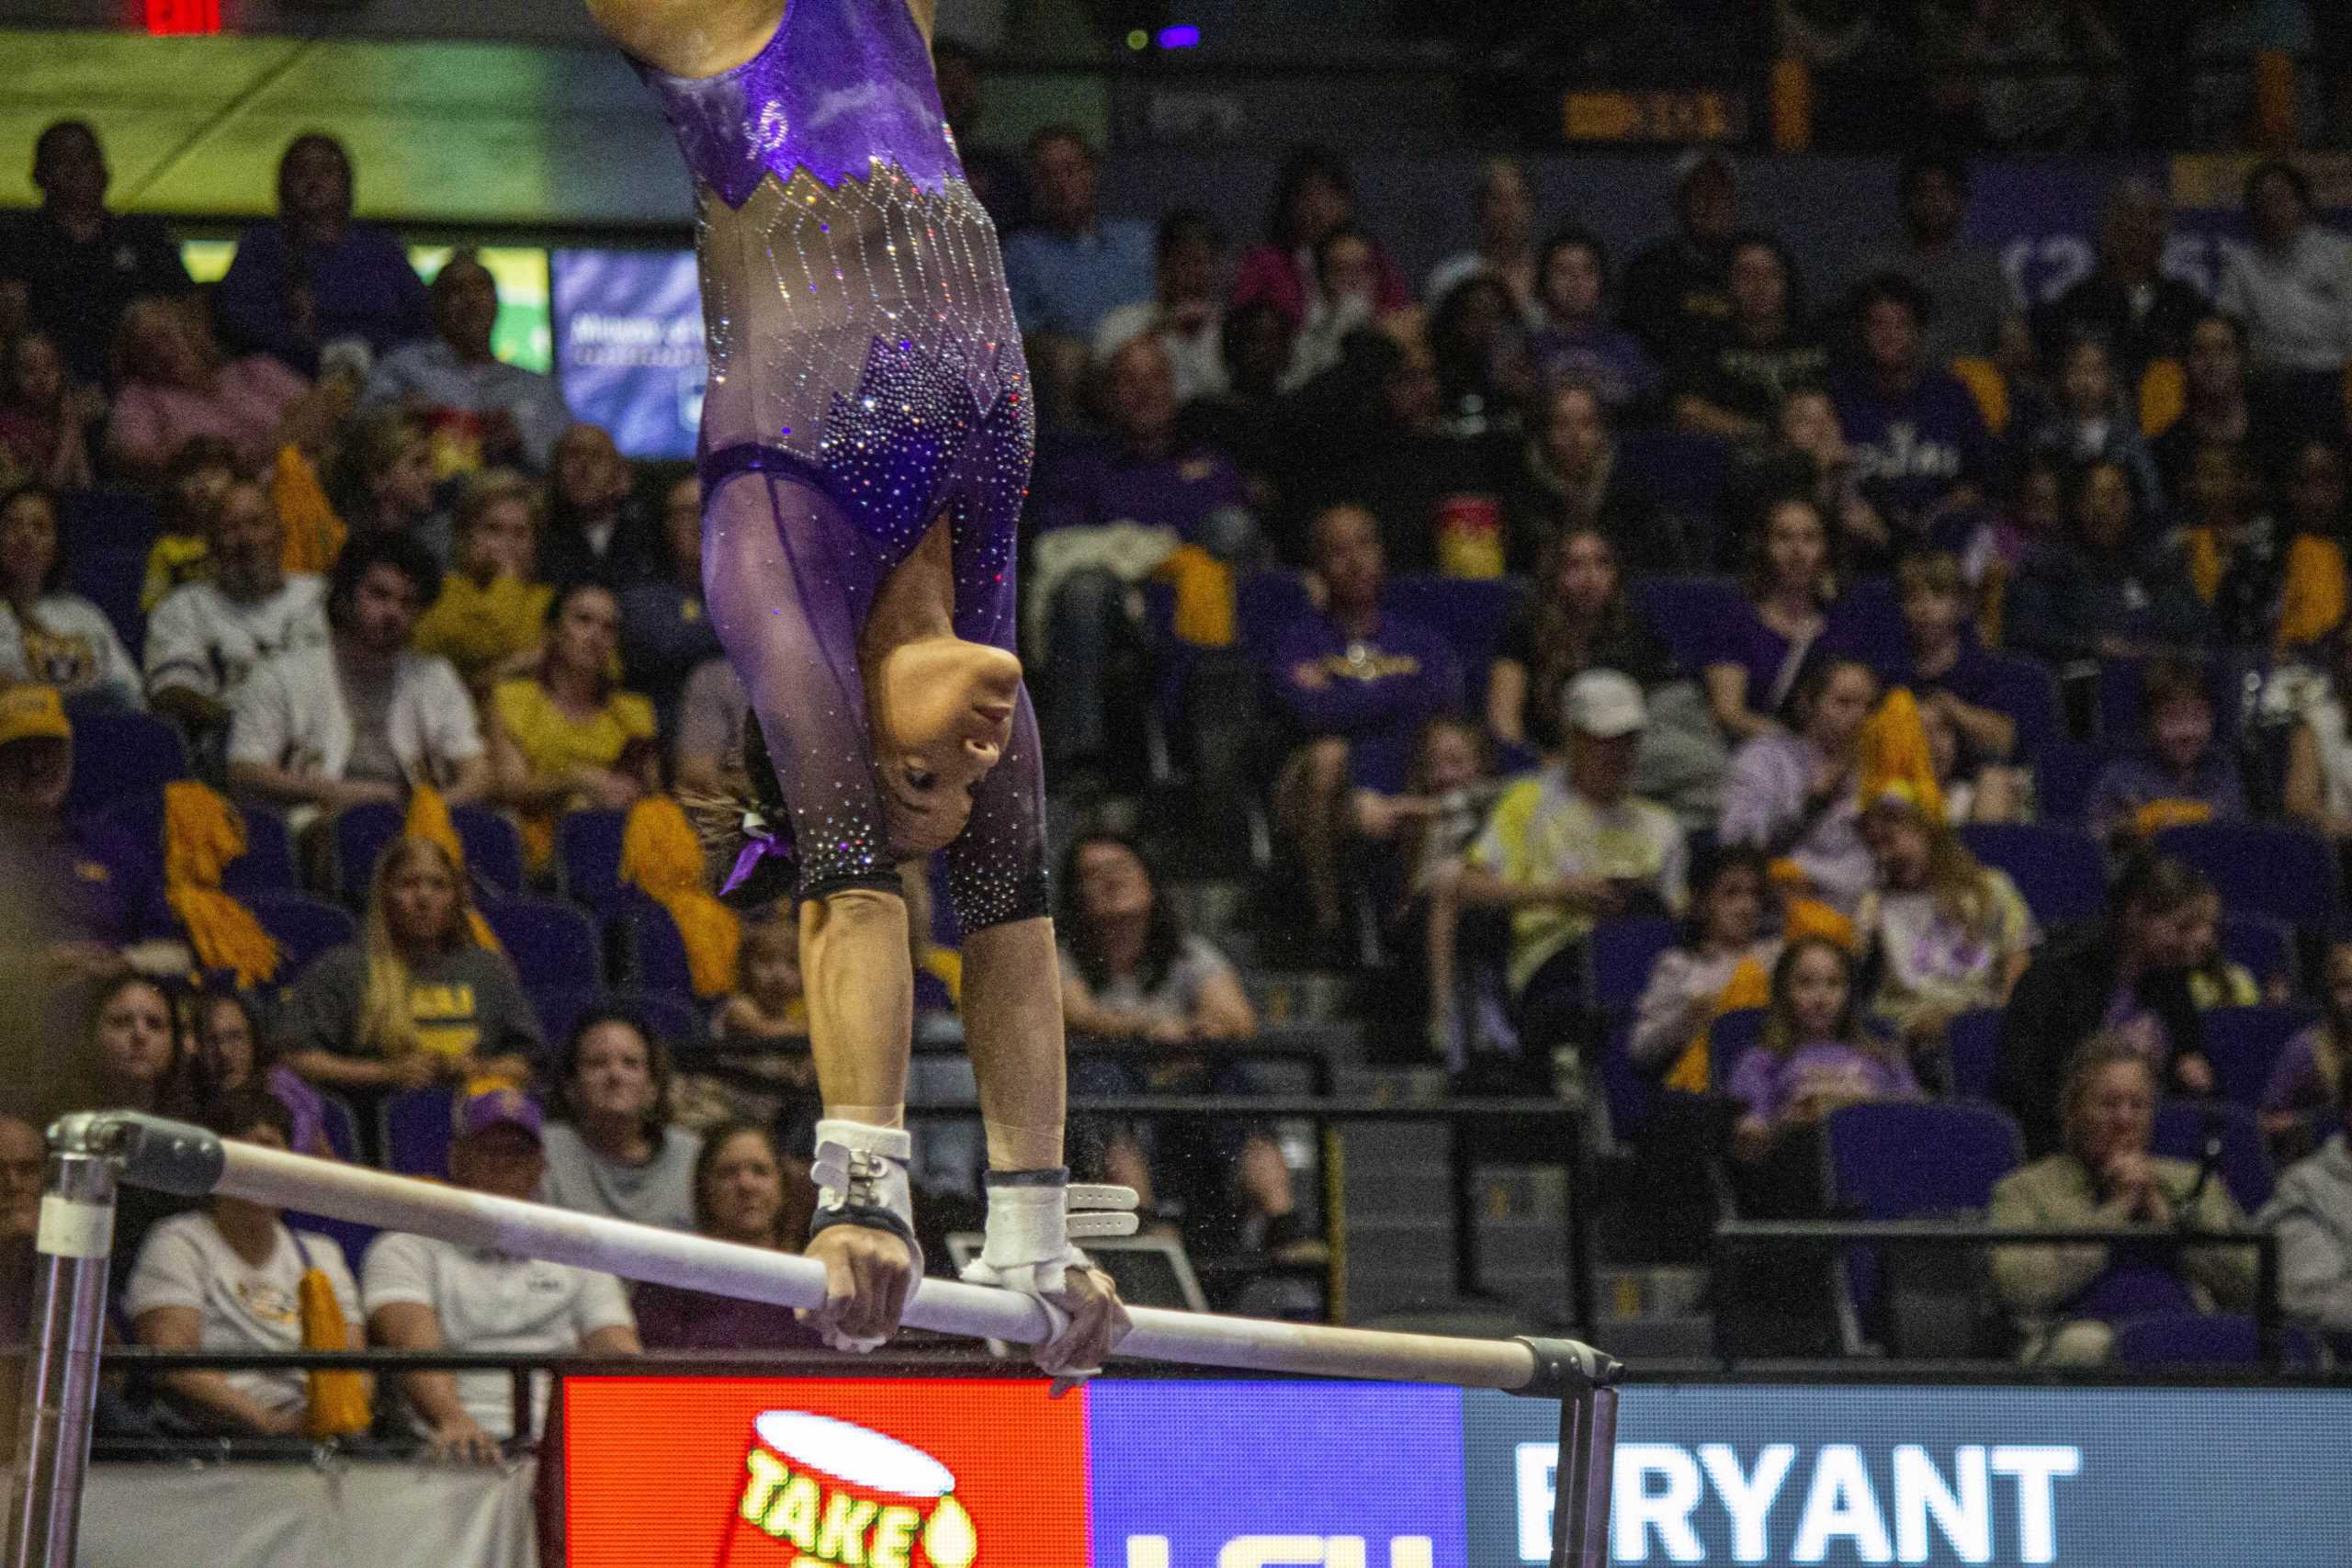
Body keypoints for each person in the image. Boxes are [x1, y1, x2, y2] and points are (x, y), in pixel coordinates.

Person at [596, 0, 1130, 1370]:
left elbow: (851, 895)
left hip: (730, 59)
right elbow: (1011, 931)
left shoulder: (776, 547)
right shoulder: (981, 594)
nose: (984, 750)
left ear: (860, 742)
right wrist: (1035, 1226)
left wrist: (860, 1197)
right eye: (972, 781)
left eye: (935, 778)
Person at [362, 1088, 639, 1460]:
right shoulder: (406, 1247)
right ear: (456, 1159)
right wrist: (454, 1421)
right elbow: (415, 1348)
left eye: (517, 1152)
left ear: (540, 1165)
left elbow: (615, 1347)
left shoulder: (578, 1249)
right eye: (488, 1149)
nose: (503, 1163)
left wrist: (621, 1423)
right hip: (445, 1442)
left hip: (563, 1442)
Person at [1057, 831, 1297, 1257]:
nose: (1112, 881)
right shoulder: (1062, 958)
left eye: (1122, 868)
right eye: (1094, 874)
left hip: (1185, 1098)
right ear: (1076, 896)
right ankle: (1142, 1221)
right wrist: (1150, 1031)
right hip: (1104, 1101)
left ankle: (1281, 1218)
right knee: (1100, 1075)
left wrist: (1201, 1030)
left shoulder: (1187, 954)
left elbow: (1238, 1019)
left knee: (1232, 1075)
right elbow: (1079, 1017)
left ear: (1149, 881)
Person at [1266, 503, 1464, 944]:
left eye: (1365, 545)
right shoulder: (1298, 641)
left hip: (1409, 782)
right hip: (1320, 795)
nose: (1355, 561)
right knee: (1327, 755)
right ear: (1317, 569)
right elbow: (1309, 714)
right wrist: (1400, 697)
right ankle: (1328, 926)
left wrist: (1344, 695)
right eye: (1338, 551)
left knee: (1447, 753)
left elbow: (1443, 704)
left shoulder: (1420, 641)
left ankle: (1404, 938)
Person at [1460, 670, 1688, 1052]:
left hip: (1646, 965)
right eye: (1603, 741)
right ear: (1573, 739)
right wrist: (1557, 893)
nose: (1617, 753)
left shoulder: (1661, 824)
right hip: (1552, 959)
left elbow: (1679, 915)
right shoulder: (1528, 803)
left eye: (1626, 740)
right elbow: (1468, 887)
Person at [1990, 1036, 2253, 1365]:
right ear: (2072, 1112)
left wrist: (2165, 1218)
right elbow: (2019, 1290)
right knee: (2088, 1346)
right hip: (2074, 1336)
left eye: (2138, 1105)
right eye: (2108, 1104)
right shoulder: (2025, 1191)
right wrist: (2117, 1211)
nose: (2124, 1119)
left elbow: (2251, 1286)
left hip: (2184, 1327)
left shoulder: (2191, 1183)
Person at [125, 1087, 365, 1436]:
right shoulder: (178, 1242)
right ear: (215, 1165)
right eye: (246, 1152)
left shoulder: (320, 1253)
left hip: (320, 1429)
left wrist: (337, 1419)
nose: (259, 1167)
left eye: (270, 1150)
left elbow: (356, 1362)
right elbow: (173, 1361)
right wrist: (271, 1425)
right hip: (227, 1440)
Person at [227, 530, 487, 830]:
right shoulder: (280, 674)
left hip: (415, 833)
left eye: (407, 603)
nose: (393, 612)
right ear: (345, 596)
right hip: (318, 824)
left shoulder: (435, 675)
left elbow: (478, 773)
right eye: (379, 595)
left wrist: (428, 813)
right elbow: (243, 771)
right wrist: (331, 792)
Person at [273, 834, 540, 1100]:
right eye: (408, 884)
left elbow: (528, 1062)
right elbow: (294, 1058)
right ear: (384, 894)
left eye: (439, 885)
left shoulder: (487, 969)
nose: (424, 898)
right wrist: (386, 1073)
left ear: (456, 898)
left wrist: (477, 1068)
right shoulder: (343, 969)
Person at [1996, 852, 2215, 1157]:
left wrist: (2191, 1071)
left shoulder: (2170, 981)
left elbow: (2191, 1064)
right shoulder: (2057, 974)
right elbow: (2026, 1085)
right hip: (2063, 1147)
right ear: (2136, 913)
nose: (2197, 943)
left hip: (2150, 1146)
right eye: (2182, 928)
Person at [214, 134, 431, 377]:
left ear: (345, 182)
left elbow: (423, 320)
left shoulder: (382, 248)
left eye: (326, 170)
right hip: (288, 380)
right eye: (301, 171)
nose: (314, 181)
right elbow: (239, 320)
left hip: (386, 378)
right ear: (284, 184)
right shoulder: (262, 247)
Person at [1855, 784, 2037, 1071]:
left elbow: (2018, 970)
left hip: (1978, 1030)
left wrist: (1981, 1027)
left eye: (1891, 839)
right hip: (1902, 1037)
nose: (1885, 856)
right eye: (1875, 846)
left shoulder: (1992, 889)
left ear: (1928, 830)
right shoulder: (1874, 904)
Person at [143, 478, 329, 759]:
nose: (246, 539)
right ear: (212, 545)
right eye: (230, 529)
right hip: (231, 752)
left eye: (257, 524)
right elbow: (171, 692)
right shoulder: (184, 606)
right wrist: (250, 720)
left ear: (281, 533)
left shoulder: (323, 597)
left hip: (324, 741)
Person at [0, 120, 193, 389]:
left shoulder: (143, 236)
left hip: (142, 388)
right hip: (45, 392)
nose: (75, 169)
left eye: (85, 158)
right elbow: (12, 323)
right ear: (38, 175)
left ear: (104, 171)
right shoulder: (17, 240)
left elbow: (184, 310)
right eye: (61, 160)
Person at [485, 581, 657, 873]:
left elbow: (651, 793)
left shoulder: (634, 711)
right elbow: (509, 787)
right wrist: (577, 780)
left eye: (609, 628)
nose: (596, 636)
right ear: (553, 630)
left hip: (621, 843)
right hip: (538, 847)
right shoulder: (513, 699)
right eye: (583, 620)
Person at [358, 250, 572, 475]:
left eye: (481, 288)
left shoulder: (537, 387)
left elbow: (565, 465)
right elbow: (363, 439)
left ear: (496, 304)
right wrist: (406, 418)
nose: (471, 300)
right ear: (435, 306)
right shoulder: (402, 369)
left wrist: (520, 438)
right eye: (456, 290)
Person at [0, 687, 158, 983]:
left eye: (47, 748)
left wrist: (123, 963)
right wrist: (27, 969)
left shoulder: (112, 846)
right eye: (20, 752)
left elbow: (177, 950)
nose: (36, 765)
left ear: (70, 754)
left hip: (111, 1005)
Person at [1830, 274, 1996, 555]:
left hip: (1943, 539)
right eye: (1878, 324)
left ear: (1919, 333)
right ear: (1861, 332)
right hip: (1867, 540)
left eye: (1901, 324)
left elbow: (1981, 475)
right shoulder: (1840, 397)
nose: (1889, 334)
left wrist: (1952, 507)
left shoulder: (1951, 394)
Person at [1727, 934, 1919, 1168]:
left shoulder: (1883, 1055)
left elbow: (1919, 1119)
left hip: (1886, 1162)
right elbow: (1748, 1147)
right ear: (1784, 991)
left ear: (1850, 994)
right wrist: (1786, 1126)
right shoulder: (1763, 1060)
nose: (1821, 997)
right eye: (1806, 983)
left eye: (1834, 984)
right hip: (1807, 1170)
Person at [1001, 126, 1154, 419]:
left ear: (1092, 172)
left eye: (1070, 170)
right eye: (1048, 175)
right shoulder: (1022, 253)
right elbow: (1019, 339)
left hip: (1156, 363)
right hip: (1086, 377)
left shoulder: (1139, 241)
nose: (1061, 184)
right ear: (1036, 185)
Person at [629, 1122, 822, 1350]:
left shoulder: (818, 1279)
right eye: (728, 1173)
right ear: (705, 1189)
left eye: (760, 1171)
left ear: (782, 1186)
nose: (746, 1185)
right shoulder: (666, 1280)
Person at [1487, 524, 1678, 750]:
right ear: (1553, 575)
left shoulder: (1637, 635)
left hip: (1623, 767)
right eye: (1575, 565)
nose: (1590, 577)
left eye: (1602, 563)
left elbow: (1666, 717)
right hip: (1543, 768)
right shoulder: (1525, 633)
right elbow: (1504, 725)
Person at [2007, 456, 2211, 666]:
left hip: (2156, 683)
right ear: (2076, 504)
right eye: (2092, 497)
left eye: (2113, 496)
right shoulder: (2046, 564)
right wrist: (2091, 647)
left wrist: (2164, 655)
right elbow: (2025, 632)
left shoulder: (2156, 562)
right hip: (2078, 681)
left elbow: (2195, 627)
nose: (2102, 510)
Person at [1719, 655, 1881, 915]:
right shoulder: (1765, 759)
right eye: (1844, 703)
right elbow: (1736, 845)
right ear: (1807, 703)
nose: (1859, 717)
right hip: (1789, 911)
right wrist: (1811, 801)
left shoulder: (1878, 767)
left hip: (1868, 911)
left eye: (1869, 706)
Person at [103, 299, 311, 483]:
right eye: (145, 350)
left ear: (189, 333)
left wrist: (264, 450)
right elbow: (136, 455)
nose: (160, 352)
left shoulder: (254, 369)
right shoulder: (141, 398)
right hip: (236, 497)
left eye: (163, 337)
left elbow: (320, 406)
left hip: (307, 467)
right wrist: (202, 455)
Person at [1629, 842, 1781, 1088]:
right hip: (1708, 1094)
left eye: (1754, 894)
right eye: (1731, 893)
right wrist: (1688, 1017)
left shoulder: (1778, 959)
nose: (1747, 907)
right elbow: (1641, 1049)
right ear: (1701, 904)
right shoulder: (1679, 966)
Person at [2217, 161, 2352, 436]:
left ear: (2302, 202)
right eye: (2263, 202)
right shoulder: (2242, 266)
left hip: (2331, 377)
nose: (2272, 209)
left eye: (2280, 198)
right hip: (2271, 382)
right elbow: (2230, 331)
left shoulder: (2339, 254)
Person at [538, 1008, 703, 1232]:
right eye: (597, 1063)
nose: (615, 1075)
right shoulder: (544, 1151)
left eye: (631, 1064)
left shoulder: (692, 1157)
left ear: (653, 1087)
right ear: (570, 1087)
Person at [1702, 496, 1851, 742]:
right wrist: (1798, 745)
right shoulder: (1734, 623)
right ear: (1763, 546)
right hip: (1756, 757)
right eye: (1784, 537)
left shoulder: (1843, 625)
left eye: (1809, 538)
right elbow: (1729, 713)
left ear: (1826, 549)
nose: (1797, 551)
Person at [2033, 176, 2209, 384]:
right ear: (2107, 230)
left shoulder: (2186, 301)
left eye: (2153, 218)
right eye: (2130, 217)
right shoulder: (2078, 303)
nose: (2143, 229)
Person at [1854, 149, 2021, 367]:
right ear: (1907, 201)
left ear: (1961, 201)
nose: (1935, 200)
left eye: (1945, 190)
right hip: (1895, 384)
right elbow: (1855, 337)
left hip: (1970, 384)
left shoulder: (1983, 267)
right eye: (1924, 191)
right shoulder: (1878, 266)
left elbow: (2013, 337)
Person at [1500, 381, 1684, 579]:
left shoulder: (1629, 496)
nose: (1575, 437)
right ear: (1545, 432)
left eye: (1587, 424)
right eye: (1562, 424)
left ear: (1603, 432)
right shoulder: (1521, 497)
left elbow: (1652, 567)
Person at [2177, 440, 2346, 653]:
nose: (2316, 497)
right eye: (2303, 482)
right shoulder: (2260, 562)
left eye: (2328, 480)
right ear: (2287, 486)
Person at [1229, 145, 1412, 333]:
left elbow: (1400, 317)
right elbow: (1244, 328)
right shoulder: (1264, 263)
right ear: (1288, 204)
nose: (1317, 208)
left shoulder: (1370, 257)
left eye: (1328, 195)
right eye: (1306, 196)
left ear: (1346, 202)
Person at [1671, 234, 1827, 443]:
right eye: (1746, 274)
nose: (1759, 284)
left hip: (1812, 457)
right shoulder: (1703, 342)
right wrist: (1770, 434)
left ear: (1786, 282)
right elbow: (1688, 411)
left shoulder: (1819, 339)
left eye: (1770, 274)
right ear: (1727, 283)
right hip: (1733, 459)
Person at [410, 468, 551, 697]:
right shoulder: (439, 592)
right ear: (465, 537)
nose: (507, 544)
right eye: (493, 529)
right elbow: (484, 643)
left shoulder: (550, 601)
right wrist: (508, 582)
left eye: (520, 533)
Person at [0, 482, 141, 710]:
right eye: (12, 525)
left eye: (40, 528)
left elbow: (127, 691)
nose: (25, 535)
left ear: (57, 545)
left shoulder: (82, 614)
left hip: (90, 733)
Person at [1718, 387, 1888, 573]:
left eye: (1829, 418)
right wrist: (1819, 471)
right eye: (1807, 421)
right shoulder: (1758, 484)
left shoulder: (1867, 481)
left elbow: (1895, 549)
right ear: (1783, 439)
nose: (1823, 430)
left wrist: (1877, 533)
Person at [2086, 659, 2245, 848]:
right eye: (2173, 718)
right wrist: (2128, 826)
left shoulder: (2221, 772)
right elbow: (2097, 838)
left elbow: (2237, 837)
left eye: (2198, 717)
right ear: (2148, 724)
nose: (2187, 731)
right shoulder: (2121, 778)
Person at [1883, 550, 2018, 767]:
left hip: (1969, 779)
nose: (1925, 608)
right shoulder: (1892, 667)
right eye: (1913, 598)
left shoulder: (1983, 668)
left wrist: (1951, 708)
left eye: (1938, 595)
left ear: (1961, 604)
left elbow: (2004, 739)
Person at [1091, 208, 1230, 407]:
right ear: (1162, 263)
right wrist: (1161, 329)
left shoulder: (1231, 331)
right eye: (1184, 261)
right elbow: (1102, 389)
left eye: (1203, 262)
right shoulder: (1122, 323)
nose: (1195, 273)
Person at [1523, 227, 1662, 420]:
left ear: (1602, 280)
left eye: (1588, 271)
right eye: (1564, 271)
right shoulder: (1526, 349)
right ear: (1543, 281)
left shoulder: (1626, 349)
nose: (1577, 281)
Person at [617, 471, 720, 729]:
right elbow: (667, 642)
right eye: (686, 512)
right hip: (668, 738)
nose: (699, 521)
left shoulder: (758, 593)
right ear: (667, 526)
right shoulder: (641, 600)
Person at [2026, 332, 2163, 517]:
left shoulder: (2129, 438)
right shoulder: (2047, 438)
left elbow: (2151, 498)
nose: (2086, 381)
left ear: (2111, 377)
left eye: (2096, 370)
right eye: (2076, 369)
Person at [1620, 149, 1741, 355]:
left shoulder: (1756, 266)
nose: (1710, 202)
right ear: (1680, 202)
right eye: (1699, 191)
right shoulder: (1649, 271)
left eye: (1720, 192)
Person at [188, 990, 334, 1159]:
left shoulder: (284, 1087)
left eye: (236, 1037)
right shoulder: (190, 1102)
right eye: (212, 1040)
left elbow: (330, 1165)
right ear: (198, 1047)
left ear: (254, 1039)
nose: (224, 1052)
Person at [2149, 312, 2274, 506]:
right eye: (2200, 351)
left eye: (2223, 350)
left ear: (2243, 358)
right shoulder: (2169, 445)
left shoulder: (2273, 433)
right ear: (2186, 362)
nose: (2212, 362)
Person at [538, 423, 661, 592]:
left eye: (596, 456)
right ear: (556, 471)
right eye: (573, 455)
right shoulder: (540, 533)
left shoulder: (649, 531)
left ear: (621, 476)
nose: (583, 466)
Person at [2259, 938, 2352, 1152]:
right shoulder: (2305, 1048)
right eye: (2345, 987)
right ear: (2330, 992)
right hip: (2323, 1162)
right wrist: (2309, 1125)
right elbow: (2266, 1123)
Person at [926, 36, 1025, 234]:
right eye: (946, 78)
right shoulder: (904, 161)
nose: (957, 90)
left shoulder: (999, 170)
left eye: (965, 78)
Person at [1426, 159, 1540, 324]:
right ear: (1480, 208)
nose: (1509, 210)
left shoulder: (1554, 277)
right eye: (1498, 199)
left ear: (1532, 208)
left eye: (1519, 199)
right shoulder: (1452, 278)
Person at [325, 408, 447, 561]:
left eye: (431, 464)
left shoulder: (435, 542)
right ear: (377, 474)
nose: (432, 476)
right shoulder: (338, 542)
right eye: (418, 463)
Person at [138, 435, 239, 614]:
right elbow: (154, 610)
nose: (202, 485)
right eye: (191, 475)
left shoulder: (248, 540)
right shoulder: (167, 549)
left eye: (214, 473)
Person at [0, 329, 97, 491]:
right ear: (12, 376)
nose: (41, 379)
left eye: (50, 368)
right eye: (30, 370)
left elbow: (84, 485)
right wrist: (71, 428)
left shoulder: (62, 422)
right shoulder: (6, 427)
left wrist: (72, 426)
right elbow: (49, 490)